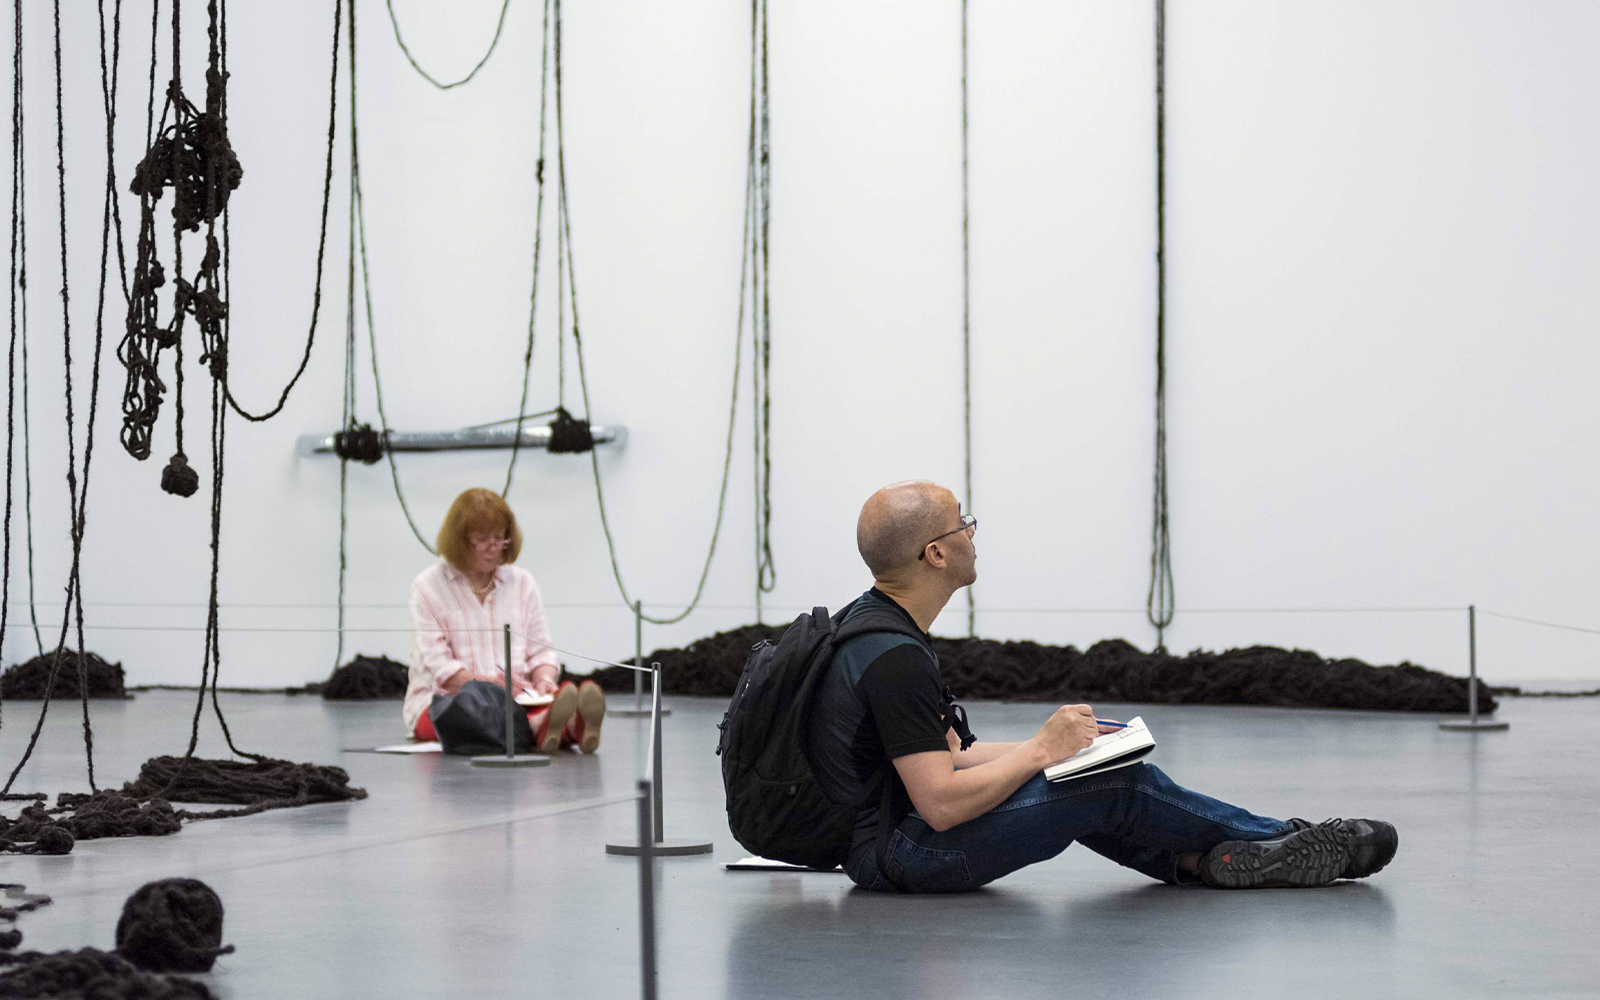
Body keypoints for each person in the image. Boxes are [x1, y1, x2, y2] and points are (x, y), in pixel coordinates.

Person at [806, 480, 1397, 892]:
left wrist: (1064, 749)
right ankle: (1291, 841)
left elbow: (950, 756)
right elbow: (938, 804)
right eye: (962, 520)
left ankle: (1200, 861)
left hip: (889, 844)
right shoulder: (895, 658)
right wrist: (1041, 751)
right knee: (1112, 786)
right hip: (908, 856)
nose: (971, 530)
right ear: (935, 553)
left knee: (1086, 775)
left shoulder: (873, 627)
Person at [405, 488, 604, 754]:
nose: (494, 548)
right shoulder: (426, 586)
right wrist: (486, 684)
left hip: (517, 699)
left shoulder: (523, 583)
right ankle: (559, 727)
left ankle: (557, 722)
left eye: (500, 539)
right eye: (483, 539)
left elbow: (541, 650)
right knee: (469, 714)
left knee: (523, 709)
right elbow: (439, 668)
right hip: (444, 704)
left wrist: (544, 679)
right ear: (459, 540)